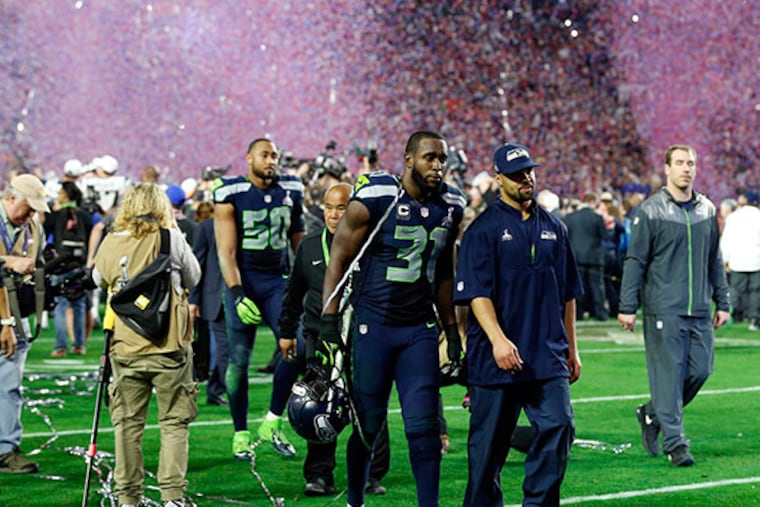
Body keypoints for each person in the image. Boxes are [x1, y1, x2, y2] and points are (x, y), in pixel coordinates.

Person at [321, 130, 466, 507]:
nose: (437, 166)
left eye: (442, 159)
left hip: (419, 328)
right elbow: (339, 254)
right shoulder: (377, 195)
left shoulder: (451, 205)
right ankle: (355, 500)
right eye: (429, 157)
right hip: (374, 326)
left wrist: (451, 328)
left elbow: (445, 271)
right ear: (408, 160)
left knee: (424, 429)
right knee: (368, 426)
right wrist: (329, 317)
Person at [454, 143, 582, 507]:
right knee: (486, 456)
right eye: (516, 174)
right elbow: (477, 294)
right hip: (496, 358)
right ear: (498, 179)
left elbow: (568, 294)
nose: (526, 178)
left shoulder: (556, 228)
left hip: (547, 355)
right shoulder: (482, 230)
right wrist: (497, 340)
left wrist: (572, 350)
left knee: (559, 426)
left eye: (529, 171)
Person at [618, 144, 730, 467]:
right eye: (680, 162)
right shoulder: (650, 211)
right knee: (669, 376)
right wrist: (628, 305)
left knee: (701, 370)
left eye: (691, 163)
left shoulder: (708, 210)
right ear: (667, 168)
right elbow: (635, 260)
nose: (686, 168)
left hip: (699, 309)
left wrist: (722, 302)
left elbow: (714, 259)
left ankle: (652, 413)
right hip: (663, 308)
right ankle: (675, 443)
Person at [92, 182, 200, 507]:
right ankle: (172, 497)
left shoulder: (111, 242)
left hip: (125, 347)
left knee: (126, 425)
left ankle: (128, 498)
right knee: (173, 423)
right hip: (169, 346)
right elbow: (193, 276)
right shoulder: (170, 237)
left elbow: (98, 280)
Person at [277, 183, 389, 496]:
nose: (334, 214)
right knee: (318, 403)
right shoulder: (309, 246)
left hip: (362, 339)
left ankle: (371, 473)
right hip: (319, 338)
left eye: (342, 208)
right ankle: (318, 476)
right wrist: (286, 332)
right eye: (329, 207)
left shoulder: (372, 247)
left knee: (369, 405)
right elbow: (294, 293)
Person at [213, 138, 305, 459]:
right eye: (265, 155)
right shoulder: (230, 192)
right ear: (249, 157)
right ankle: (240, 432)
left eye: (275, 156)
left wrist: (309, 281)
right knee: (238, 362)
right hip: (244, 281)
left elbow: (299, 242)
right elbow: (226, 251)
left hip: (277, 282)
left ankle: (272, 421)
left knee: (298, 347)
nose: (271, 161)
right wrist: (237, 293)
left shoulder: (291, 189)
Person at [0, 174, 49, 474]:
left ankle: (6, 448)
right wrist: (8, 261)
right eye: (28, 207)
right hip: (6, 315)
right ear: (9, 198)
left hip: (17, 312)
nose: (31, 214)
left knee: (9, 384)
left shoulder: (33, 228)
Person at [45, 181, 93, 357]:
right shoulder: (85, 215)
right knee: (79, 305)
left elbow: (43, 229)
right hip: (79, 266)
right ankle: (80, 345)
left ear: (65, 195)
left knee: (60, 306)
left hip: (60, 266)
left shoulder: (56, 215)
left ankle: (60, 347)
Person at [188, 204, 229, 406]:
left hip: (233, 295)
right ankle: (216, 388)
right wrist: (193, 299)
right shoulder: (205, 228)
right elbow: (198, 264)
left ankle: (217, 388)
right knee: (224, 348)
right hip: (214, 296)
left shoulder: (238, 223)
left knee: (228, 348)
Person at [720, 190, 760, 331]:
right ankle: (754, 320)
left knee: (736, 290)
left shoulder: (733, 218)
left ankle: (734, 315)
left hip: (737, 260)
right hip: (756, 260)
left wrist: (725, 259)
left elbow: (726, 240)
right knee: (755, 291)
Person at [564, 192, 608, 321]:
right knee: (597, 287)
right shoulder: (597, 217)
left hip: (576, 257)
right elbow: (605, 237)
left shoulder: (570, 217)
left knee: (578, 287)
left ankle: (578, 314)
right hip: (594, 257)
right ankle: (600, 313)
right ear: (594, 202)